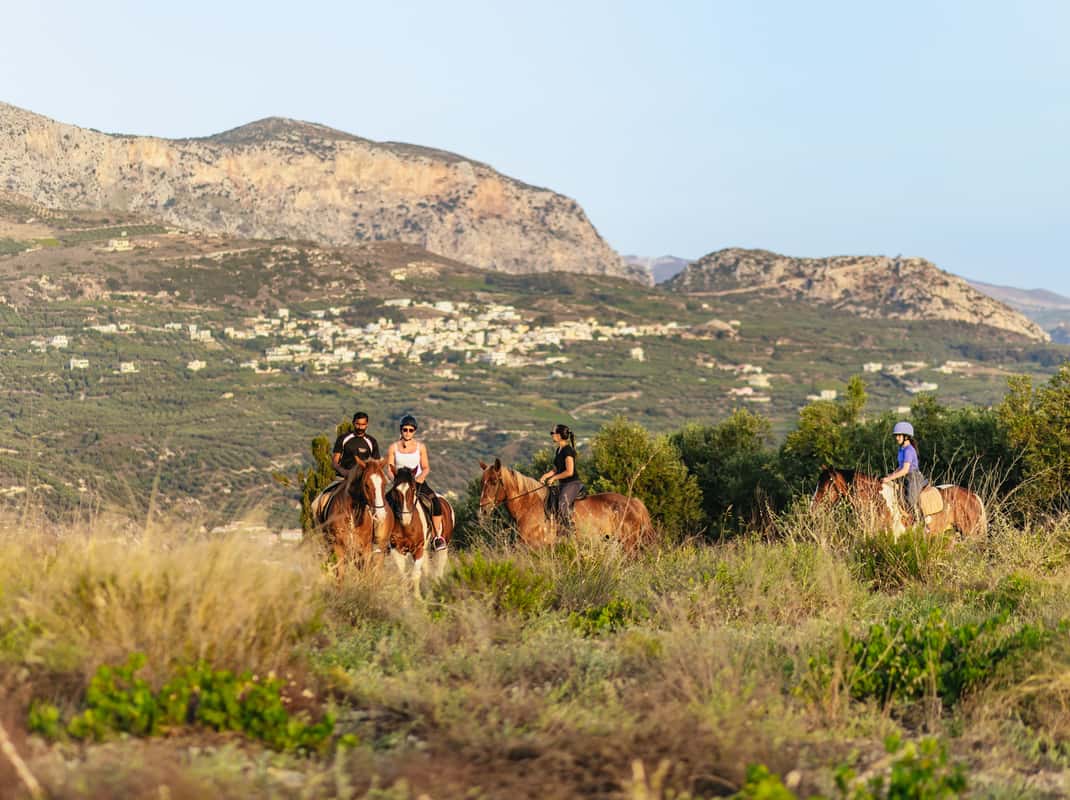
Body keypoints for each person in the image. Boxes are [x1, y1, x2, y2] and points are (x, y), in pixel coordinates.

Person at [386, 414, 446, 551]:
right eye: (405, 429)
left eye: (410, 430)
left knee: (435, 502)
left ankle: (437, 537)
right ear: (401, 430)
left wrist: (420, 477)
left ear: (414, 431)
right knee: (384, 503)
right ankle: (382, 538)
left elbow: (426, 467)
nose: (407, 432)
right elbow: (389, 468)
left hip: (417, 482)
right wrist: (393, 480)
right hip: (399, 484)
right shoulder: (393, 448)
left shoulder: (420, 447)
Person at [882, 420, 928, 523]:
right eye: (896, 435)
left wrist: (889, 478)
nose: (897, 438)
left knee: (910, 500)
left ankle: (922, 521)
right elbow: (900, 467)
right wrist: (891, 475)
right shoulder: (901, 449)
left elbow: (905, 470)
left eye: (899, 435)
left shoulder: (909, 450)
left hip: (913, 478)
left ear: (906, 436)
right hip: (904, 477)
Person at [539, 423, 583, 531]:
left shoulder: (568, 451)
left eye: (552, 433)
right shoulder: (558, 450)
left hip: (572, 483)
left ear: (559, 435)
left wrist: (554, 478)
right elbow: (555, 470)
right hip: (563, 484)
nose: (551, 435)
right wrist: (545, 476)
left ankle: (570, 531)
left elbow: (569, 471)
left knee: (562, 505)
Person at [332, 411, 381, 478]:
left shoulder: (372, 442)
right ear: (353, 423)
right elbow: (334, 462)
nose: (360, 427)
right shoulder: (343, 438)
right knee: (328, 488)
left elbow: (376, 464)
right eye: (357, 424)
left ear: (367, 424)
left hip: (363, 479)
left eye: (363, 424)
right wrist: (344, 472)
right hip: (343, 478)